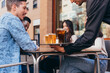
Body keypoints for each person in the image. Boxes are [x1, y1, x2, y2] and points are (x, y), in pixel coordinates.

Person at [0, 0, 39, 73]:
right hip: (9, 68)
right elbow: (28, 45)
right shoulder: (13, 20)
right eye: (24, 8)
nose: (26, 11)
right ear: (14, 7)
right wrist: (36, 47)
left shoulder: (3, 18)